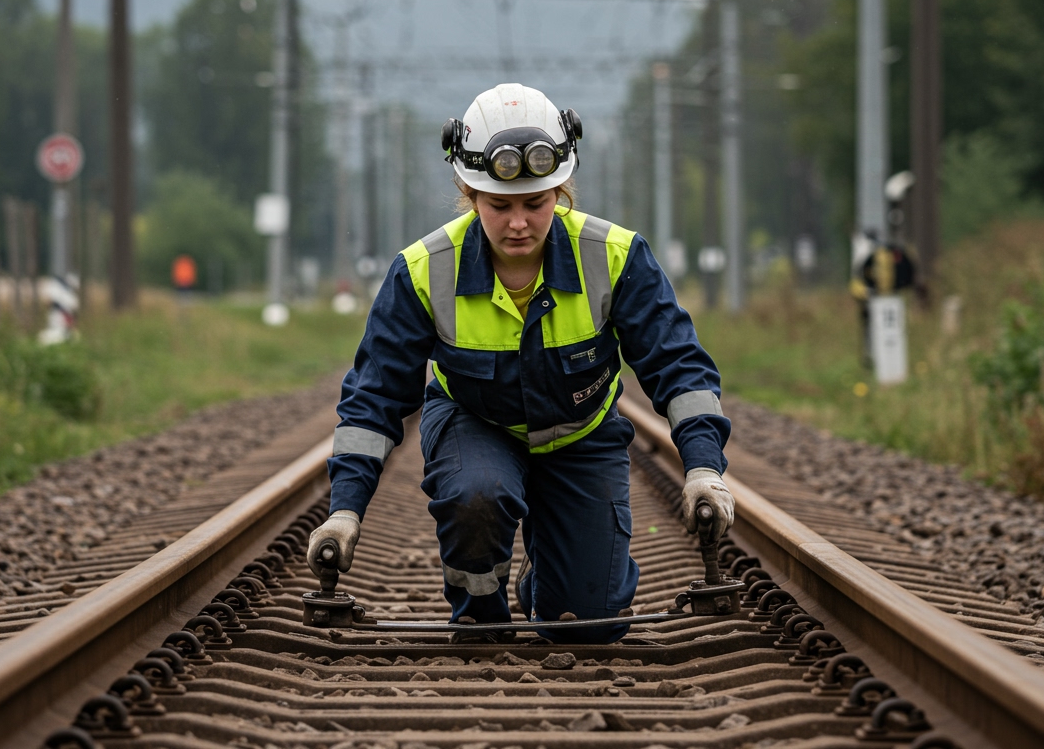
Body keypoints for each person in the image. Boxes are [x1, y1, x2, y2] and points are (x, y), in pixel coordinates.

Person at [308, 83, 734, 644]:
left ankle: (549, 580)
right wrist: (346, 511)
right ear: (469, 193)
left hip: (582, 432)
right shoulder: (421, 271)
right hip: (474, 422)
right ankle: (481, 614)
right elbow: (374, 397)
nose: (518, 223)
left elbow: (677, 365)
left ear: (561, 190)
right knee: (476, 494)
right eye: (499, 205)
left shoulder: (615, 256)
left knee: (587, 627)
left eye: (536, 203)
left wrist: (703, 466)